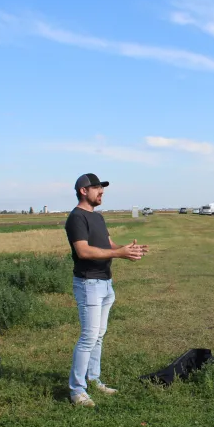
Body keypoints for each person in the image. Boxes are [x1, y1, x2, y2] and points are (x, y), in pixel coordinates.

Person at [65, 173, 149, 407]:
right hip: (88, 283)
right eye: (97, 188)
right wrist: (119, 253)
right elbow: (83, 251)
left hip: (105, 283)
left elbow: (107, 245)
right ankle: (77, 390)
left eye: (102, 188)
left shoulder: (98, 217)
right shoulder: (76, 218)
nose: (101, 192)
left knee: (99, 336)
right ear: (83, 191)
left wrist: (127, 250)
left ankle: (93, 379)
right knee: (88, 337)